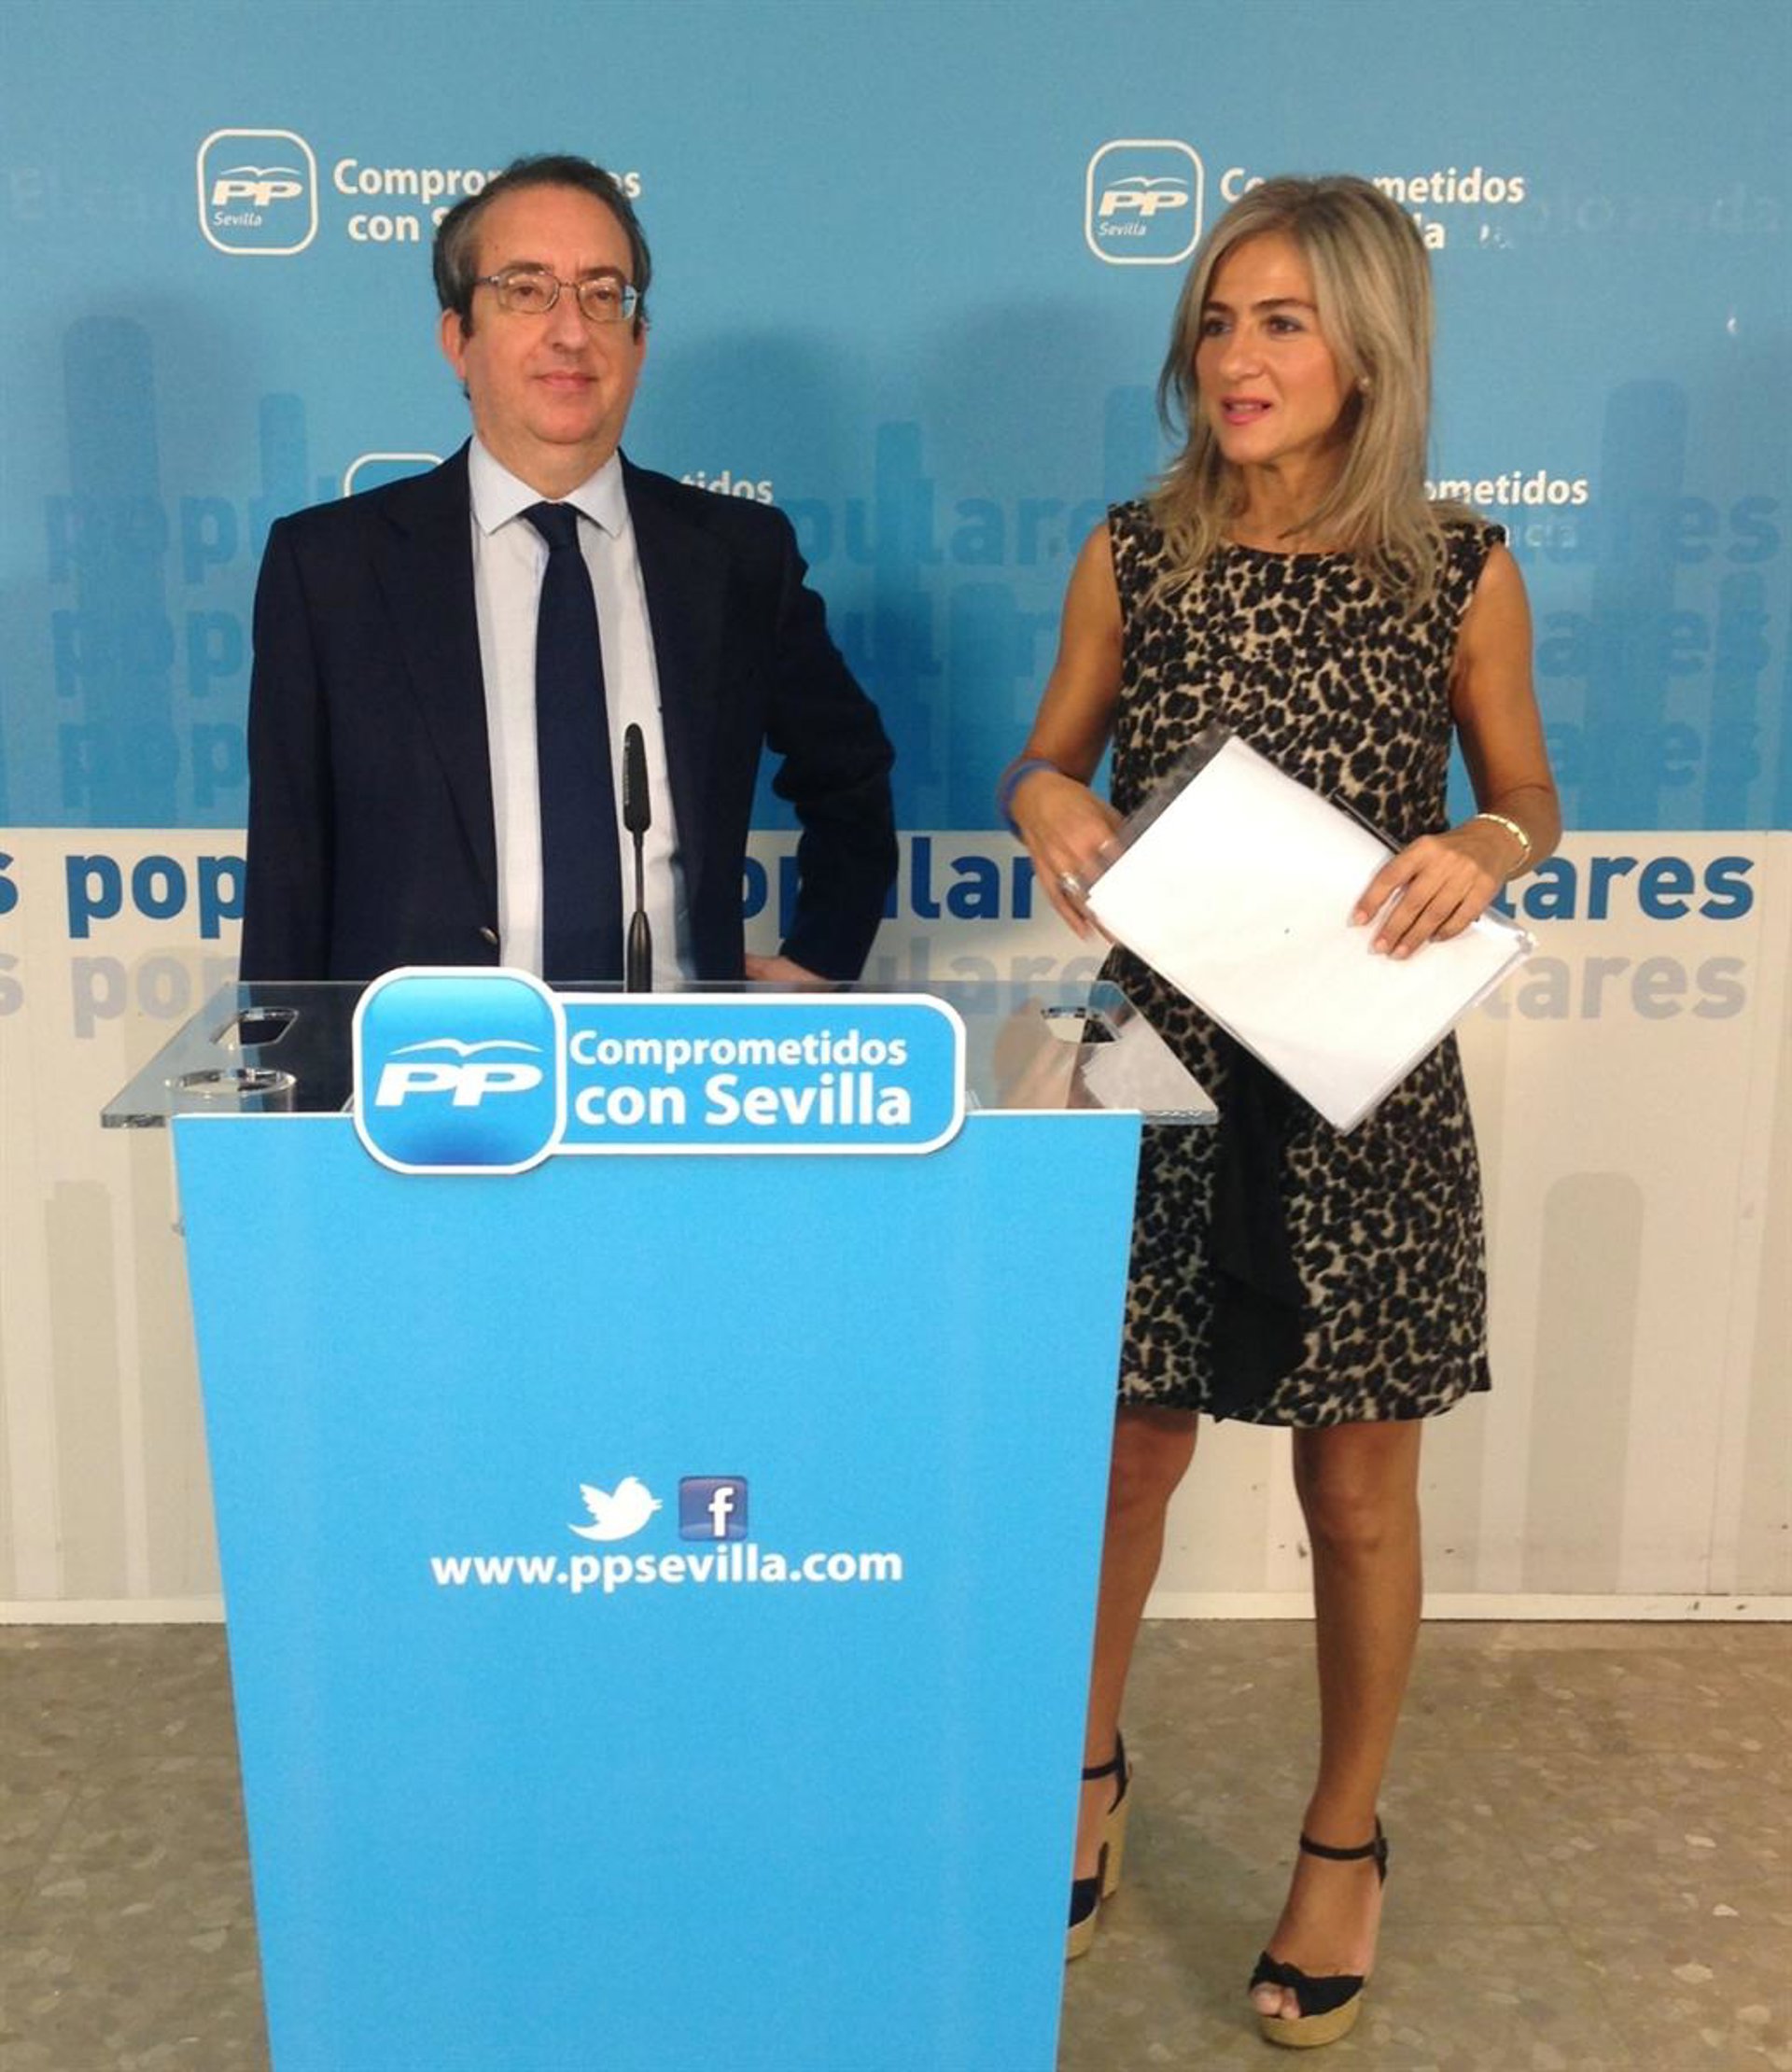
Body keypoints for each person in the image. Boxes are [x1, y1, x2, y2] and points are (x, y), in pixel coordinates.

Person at [1001, 175, 1559, 2046]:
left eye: (1285, 323)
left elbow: (1531, 795)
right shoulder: (1134, 553)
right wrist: (1047, 801)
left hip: (1363, 1074)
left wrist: (1485, 848)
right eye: (1220, 322)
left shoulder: (1460, 567)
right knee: (1122, 1454)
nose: (1238, 359)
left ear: (1369, 350)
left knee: (1359, 1488)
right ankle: (1081, 1775)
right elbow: (1046, 757)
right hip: (1154, 1060)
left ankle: (1341, 1844)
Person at [240, 153, 895, 986]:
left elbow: (850, 775)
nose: (571, 331)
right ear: (458, 338)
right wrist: (287, 1060)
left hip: (672, 1055)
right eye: (525, 290)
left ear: (639, 340)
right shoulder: (331, 569)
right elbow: (289, 868)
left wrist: (821, 959)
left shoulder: (737, 558)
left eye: (602, 294)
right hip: (431, 1058)